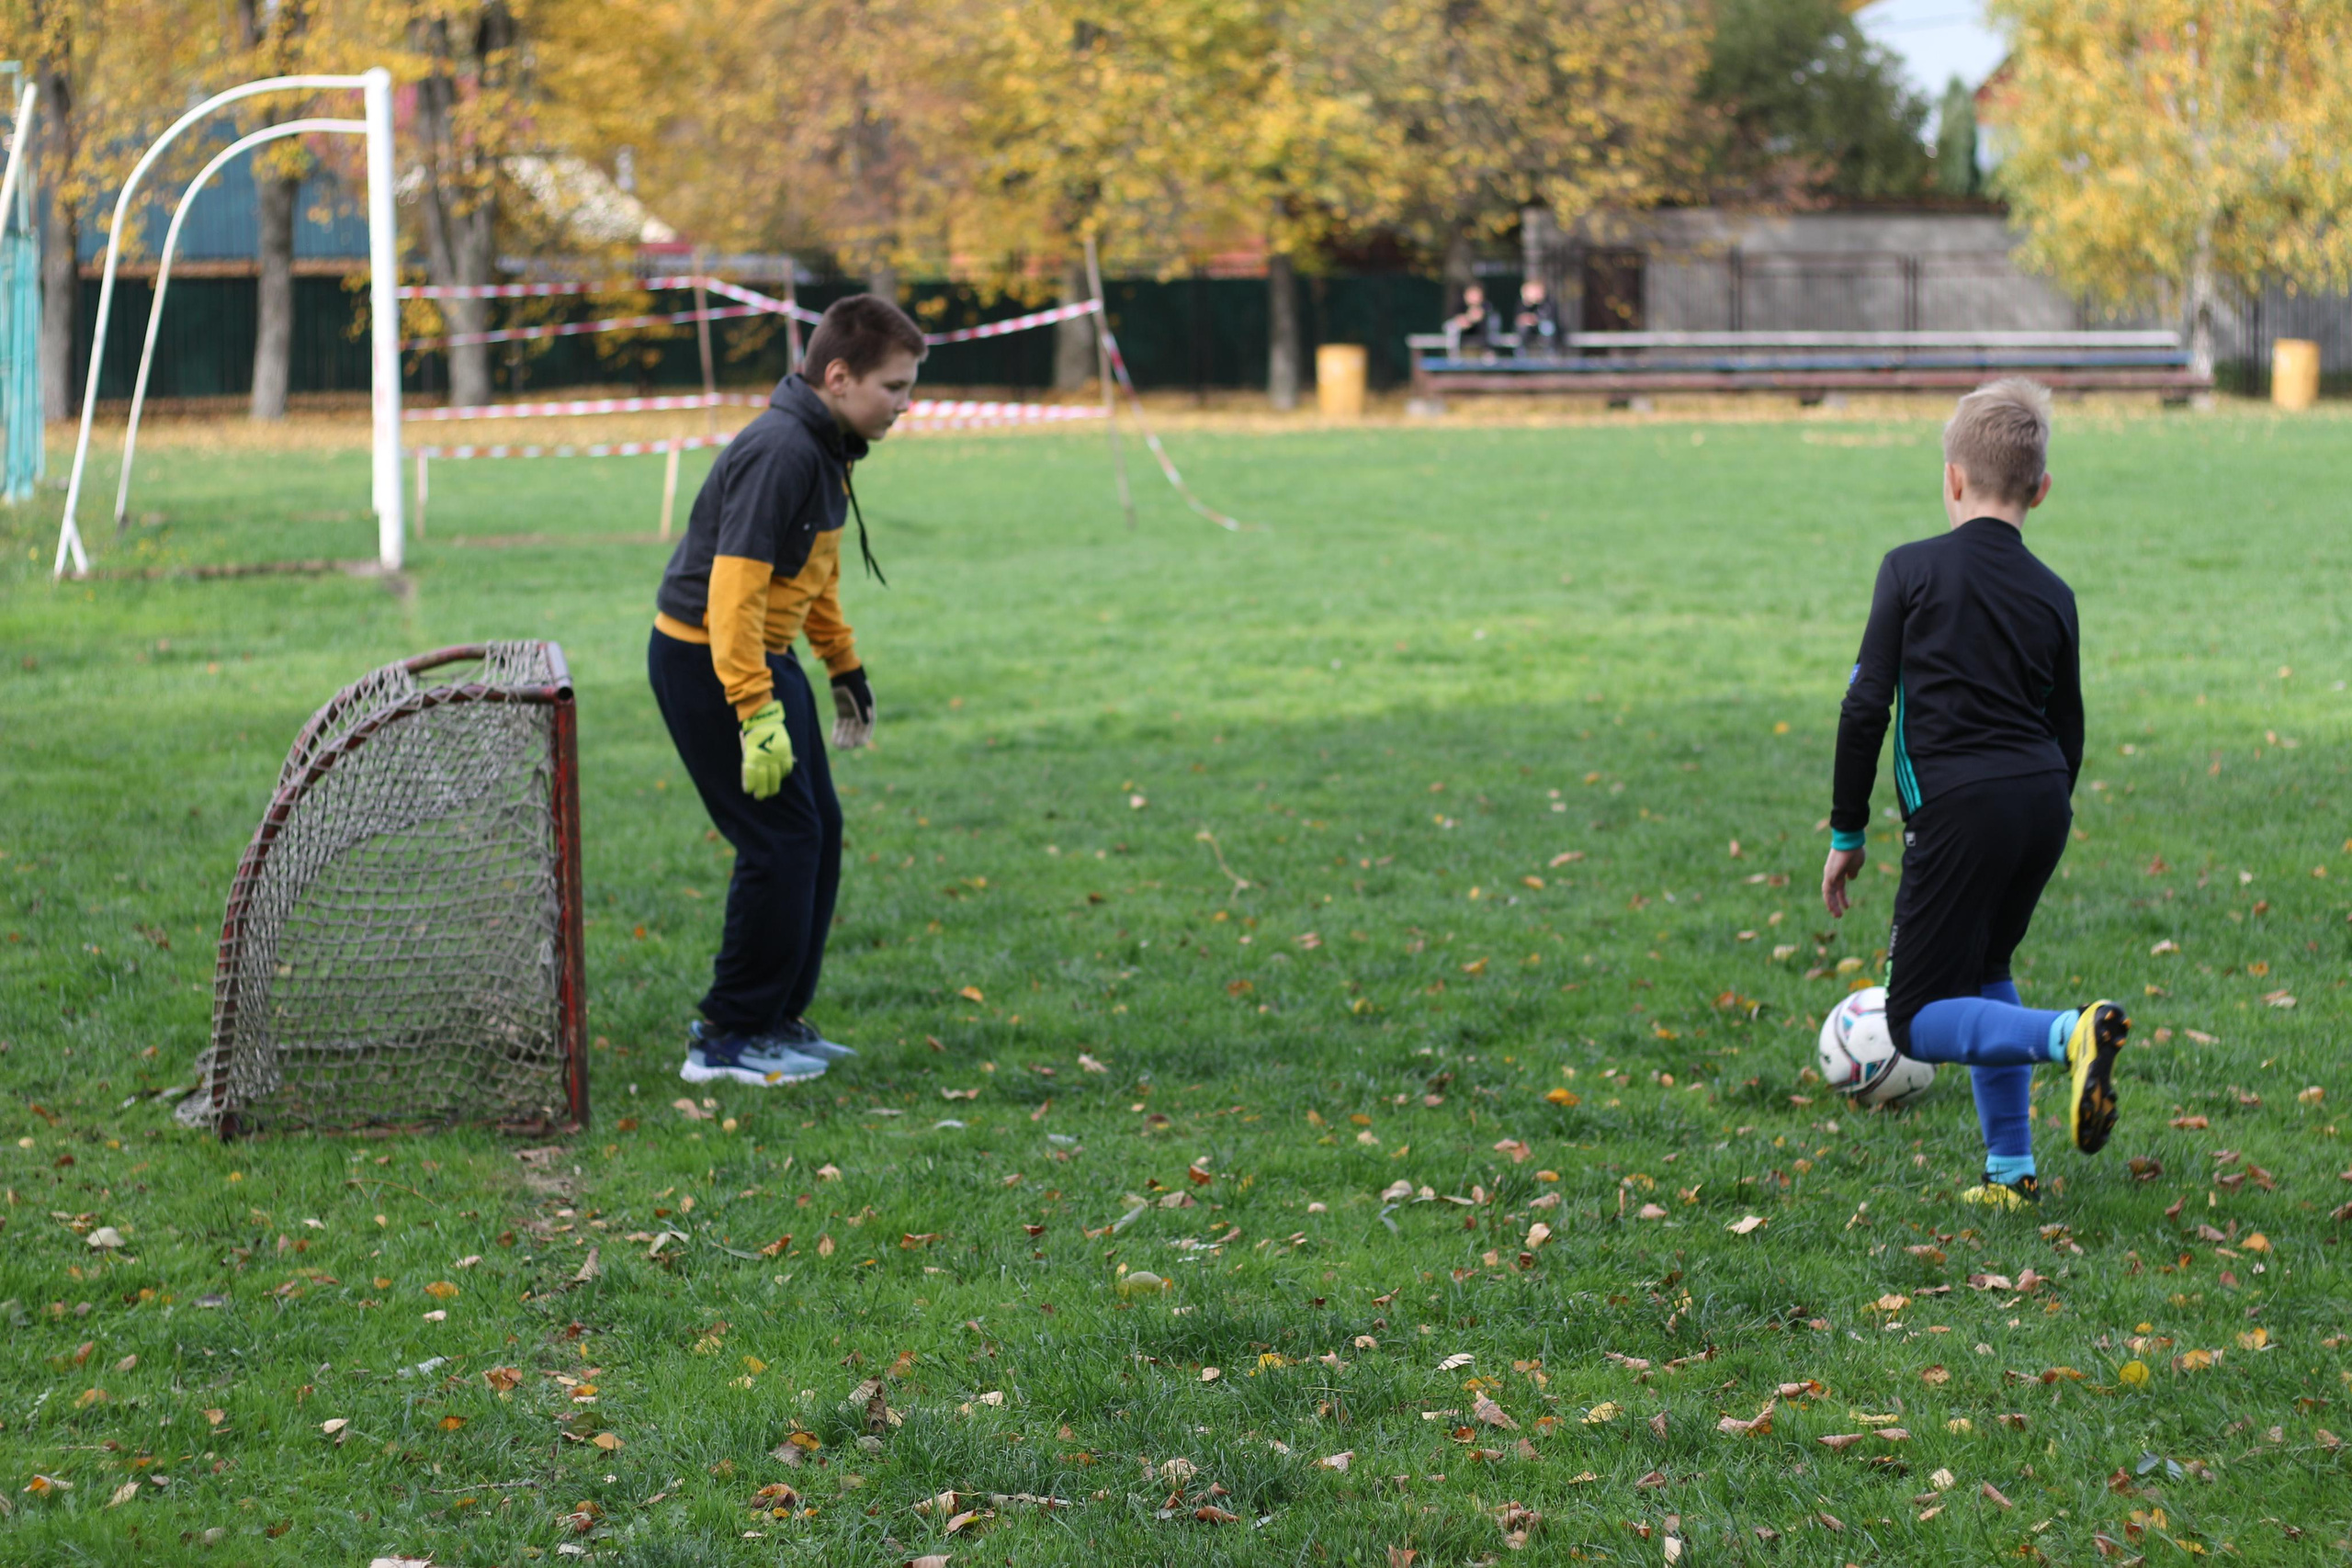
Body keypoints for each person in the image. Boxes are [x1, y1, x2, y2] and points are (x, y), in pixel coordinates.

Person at [1821, 377, 2126, 1209]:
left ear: (1953, 478)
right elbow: (2070, 725)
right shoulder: (2054, 593)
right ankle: (2010, 1172)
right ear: (2041, 489)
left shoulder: (1909, 569)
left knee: (1917, 1016)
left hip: (1960, 810)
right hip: (2042, 802)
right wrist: (2045, 803)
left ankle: (2070, 1033)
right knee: (1988, 966)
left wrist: (1848, 832)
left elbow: (1862, 709)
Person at [646, 294, 925, 1087]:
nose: (906, 406)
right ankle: (727, 1034)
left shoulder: (828, 443)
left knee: (817, 831)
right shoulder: (783, 451)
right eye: (895, 388)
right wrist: (753, 708)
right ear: (839, 377)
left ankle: (775, 1018)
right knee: (778, 842)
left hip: (764, 659)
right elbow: (731, 594)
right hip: (709, 660)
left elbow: (812, 577)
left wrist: (842, 665)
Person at [1443, 283, 1499, 356]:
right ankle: (1453, 355)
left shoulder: (1486, 306)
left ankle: (1488, 351)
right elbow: (1448, 324)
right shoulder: (1459, 306)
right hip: (1462, 341)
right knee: (1452, 326)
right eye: (1472, 294)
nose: (1475, 297)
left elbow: (1492, 316)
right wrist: (1465, 319)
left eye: (1477, 294)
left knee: (1492, 320)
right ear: (1465, 295)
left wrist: (1479, 316)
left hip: (1482, 343)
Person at [1512, 278, 1560, 356]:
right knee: (1522, 327)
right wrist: (1527, 305)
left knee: (1547, 326)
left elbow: (1551, 318)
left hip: (1543, 329)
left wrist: (1536, 319)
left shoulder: (1548, 301)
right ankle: (1520, 352)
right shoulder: (1523, 303)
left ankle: (1550, 352)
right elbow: (1518, 318)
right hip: (1529, 329)